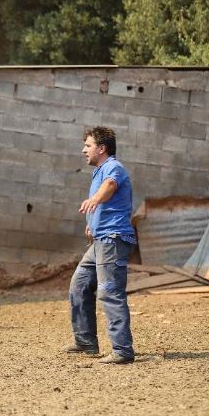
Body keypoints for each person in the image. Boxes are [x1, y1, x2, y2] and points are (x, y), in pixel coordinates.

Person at [64, 126, 136, 364]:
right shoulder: (99, 171)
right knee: (79, 285)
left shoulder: (112, 167)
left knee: (110, 292)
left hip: (112, 240)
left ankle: (122, 350)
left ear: (102, 148)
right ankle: (85, 341)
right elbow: (109, 200)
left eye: (88, 145)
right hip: (100, 240)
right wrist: (92, 224)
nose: (84, 150)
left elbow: (111, 187)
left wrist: (94, 199)